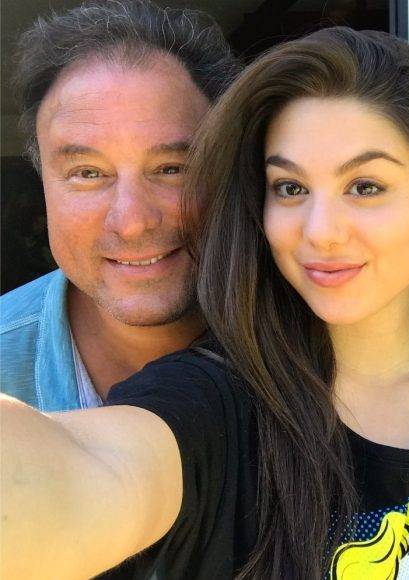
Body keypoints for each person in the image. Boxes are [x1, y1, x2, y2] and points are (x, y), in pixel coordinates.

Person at [1, 28, 409, 579]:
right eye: (291, 188)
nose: (320, 231)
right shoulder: (213, 408)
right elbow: (85, 476)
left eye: (364, 187)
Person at [0, 0, 238, 410]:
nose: (132, 222)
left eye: (171, 168)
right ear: (43, 184)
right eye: (88, 173)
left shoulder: (322, 346)